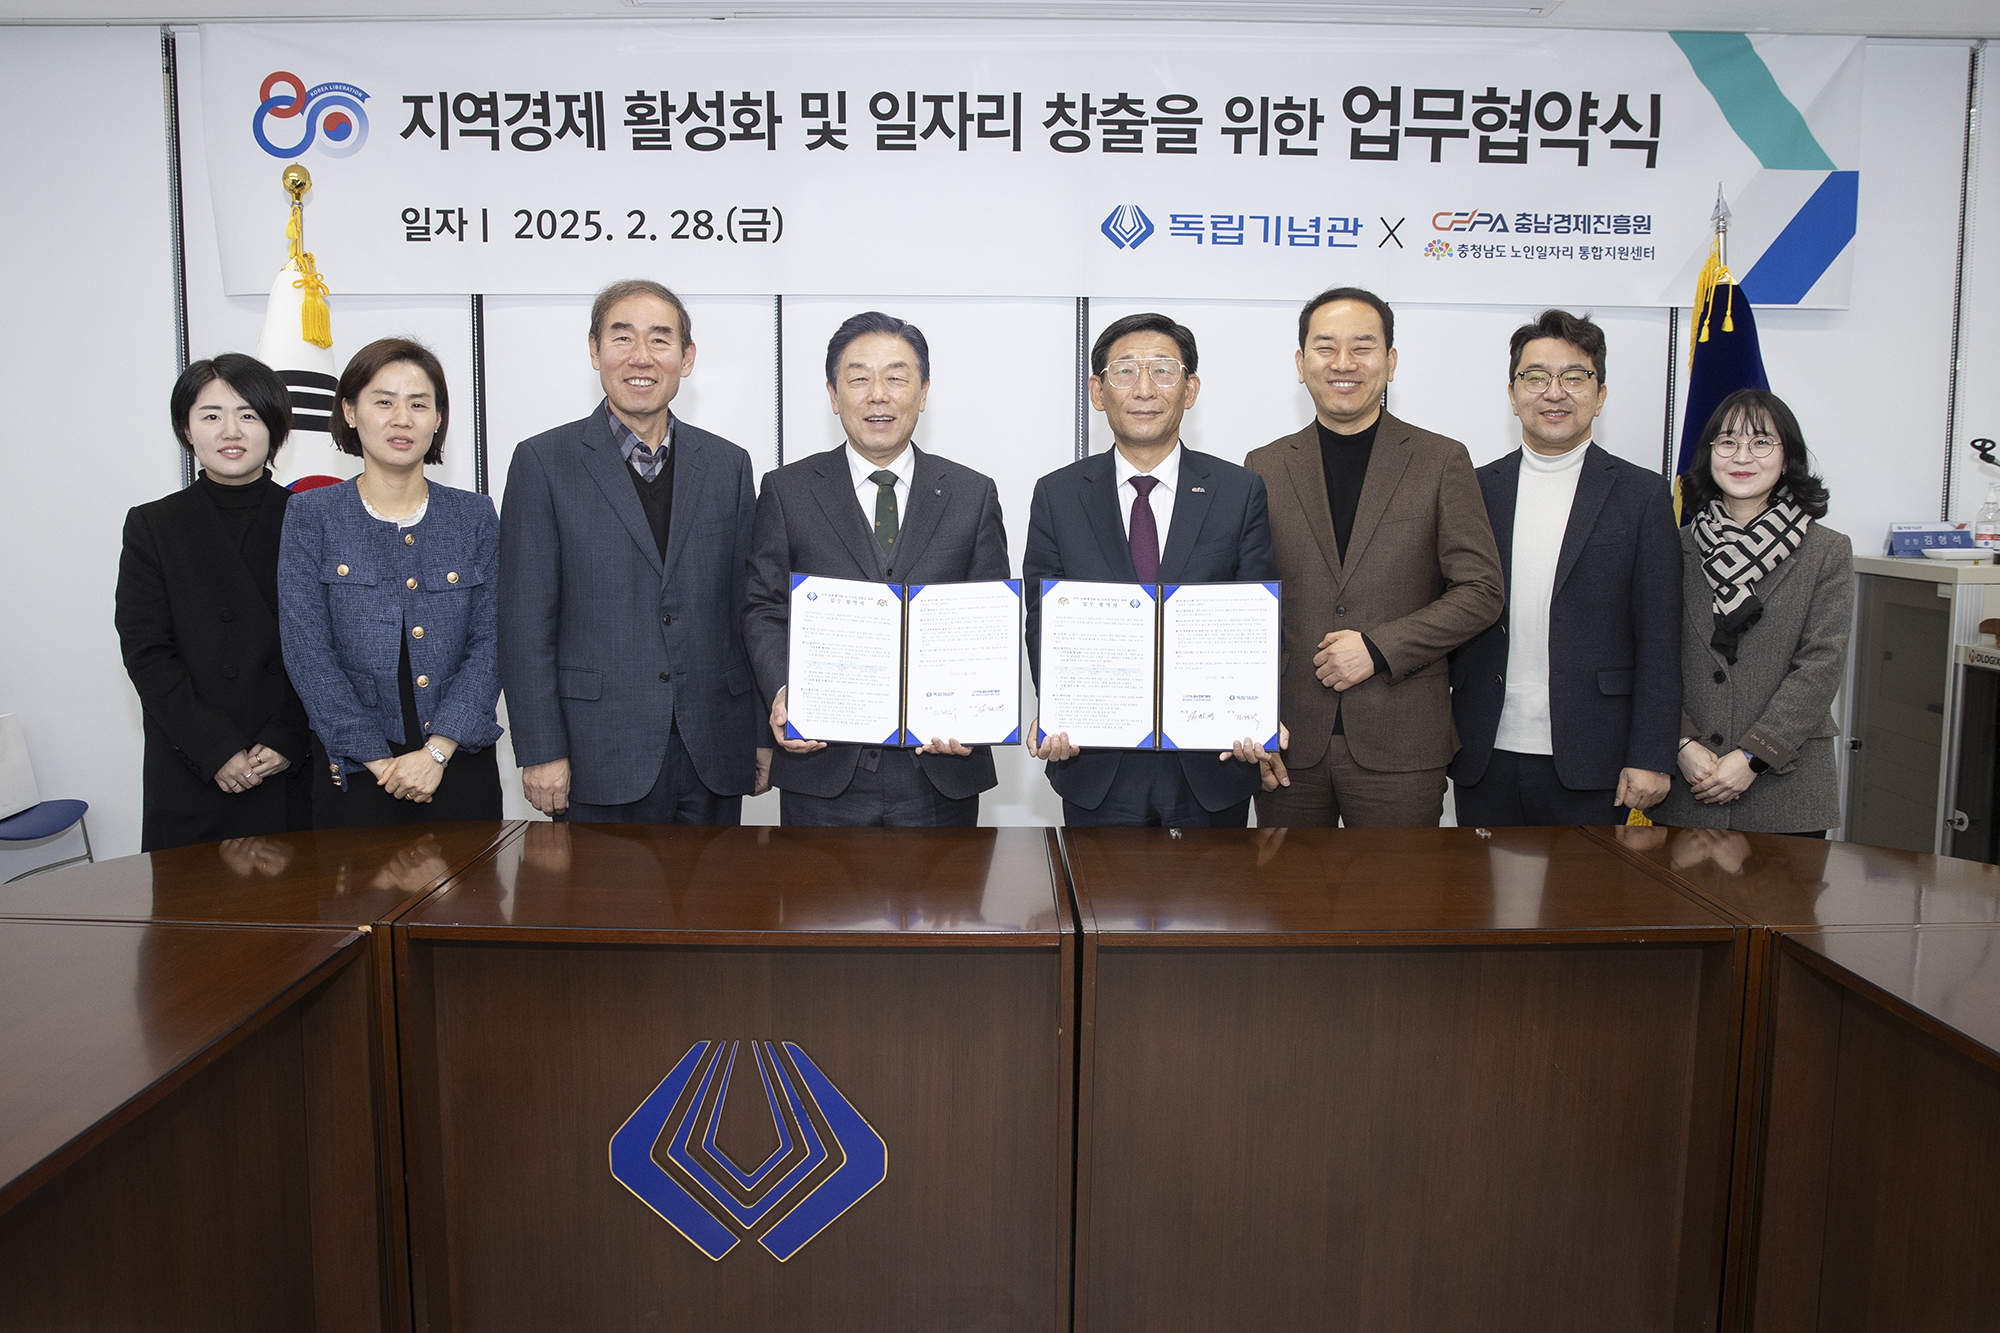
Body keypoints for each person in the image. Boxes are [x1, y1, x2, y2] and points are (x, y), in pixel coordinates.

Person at [500, 279, 764, 825]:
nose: (641, 356)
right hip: (596, 751)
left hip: (713, 747)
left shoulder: (728, 465)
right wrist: (541, 749)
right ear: (594, 350)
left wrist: (760, 734)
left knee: (721, 885)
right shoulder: (543, 462)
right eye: (622, 338)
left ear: (686, 358)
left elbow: (749, 609)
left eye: (660, 339)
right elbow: (524, 623)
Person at [1244, 286, 1503, 827]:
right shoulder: (1263, 466)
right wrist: (1249, 718)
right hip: (1288, 742)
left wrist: (1380, 648)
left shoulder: (1441, 460)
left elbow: (1481, 592)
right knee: (1287, 885)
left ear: (1390, 362)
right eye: (1326, 347)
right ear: (1300, 363)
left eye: (1362, 347)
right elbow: (1246, 607)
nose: (1344, 363)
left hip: (1402, 741)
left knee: (1399, 885)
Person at [745, 312, 1010, 826]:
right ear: (833, 394)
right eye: (859, 378)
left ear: (924, 392)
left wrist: (975, 714)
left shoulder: (972, 494)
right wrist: (783, 692)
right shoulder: (787, 490)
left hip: (940, 771)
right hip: (821, 768)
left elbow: (990, 620)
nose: (878, 395)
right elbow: (764, 607)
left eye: (896, 377)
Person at [1023, 312, 1275, 828]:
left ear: (1190, 389)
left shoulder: (1238, 491)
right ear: (1097, 392)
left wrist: (1259, 714)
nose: (1144, 389)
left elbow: (1262, 620)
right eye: (1124, 371)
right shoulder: (1057, 494)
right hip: (1097, 764)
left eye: (1163, 370)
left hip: (1213, 764)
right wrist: (1060, 711)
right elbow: (1041, 621)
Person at [1449, 310, 1682, 825]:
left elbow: (1661, 639)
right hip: (1484, 748)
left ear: (1600, 395)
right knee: (1477, 880)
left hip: (1596, 755)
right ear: (1513, 395)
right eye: (1535, 377)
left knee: (1587, 883)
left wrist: (1651, 754)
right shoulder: (1472, 489)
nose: (1554, 392)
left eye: (1574, 377)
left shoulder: (1641, 495)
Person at [278, 337, 503, 826]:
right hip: (354, 772)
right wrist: (378, 762)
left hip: (457, 765)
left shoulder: (474, 516)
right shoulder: (311, 515)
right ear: (350, 412)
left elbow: (491, 642)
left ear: (438, 418)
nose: (402, 419)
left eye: (419, 404)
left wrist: (437, 752)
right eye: (384, 402)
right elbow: (306, 650)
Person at [115, 353, 313, 851]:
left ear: (275, 428)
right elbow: (146, 651)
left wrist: (289, 736)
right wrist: (216, 748)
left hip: (291, 765)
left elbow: (333, 646)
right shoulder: (153, 526)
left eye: (248, 415)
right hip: (194, 766)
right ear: (186, 430)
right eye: (211, 415)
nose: (231, 431)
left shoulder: (311, 519)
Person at [1655, 389, 1852, 836]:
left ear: (1787, 457)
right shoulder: (1672, 546)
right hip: (1690, 780)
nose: (1742, 456)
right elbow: (1651, 655)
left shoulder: (1827, 551)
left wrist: (1754, 755)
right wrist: (1680, 743)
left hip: (1787, 788)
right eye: (1727, 442)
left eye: (1761, 442)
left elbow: (1821, 664)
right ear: (1709, 454)